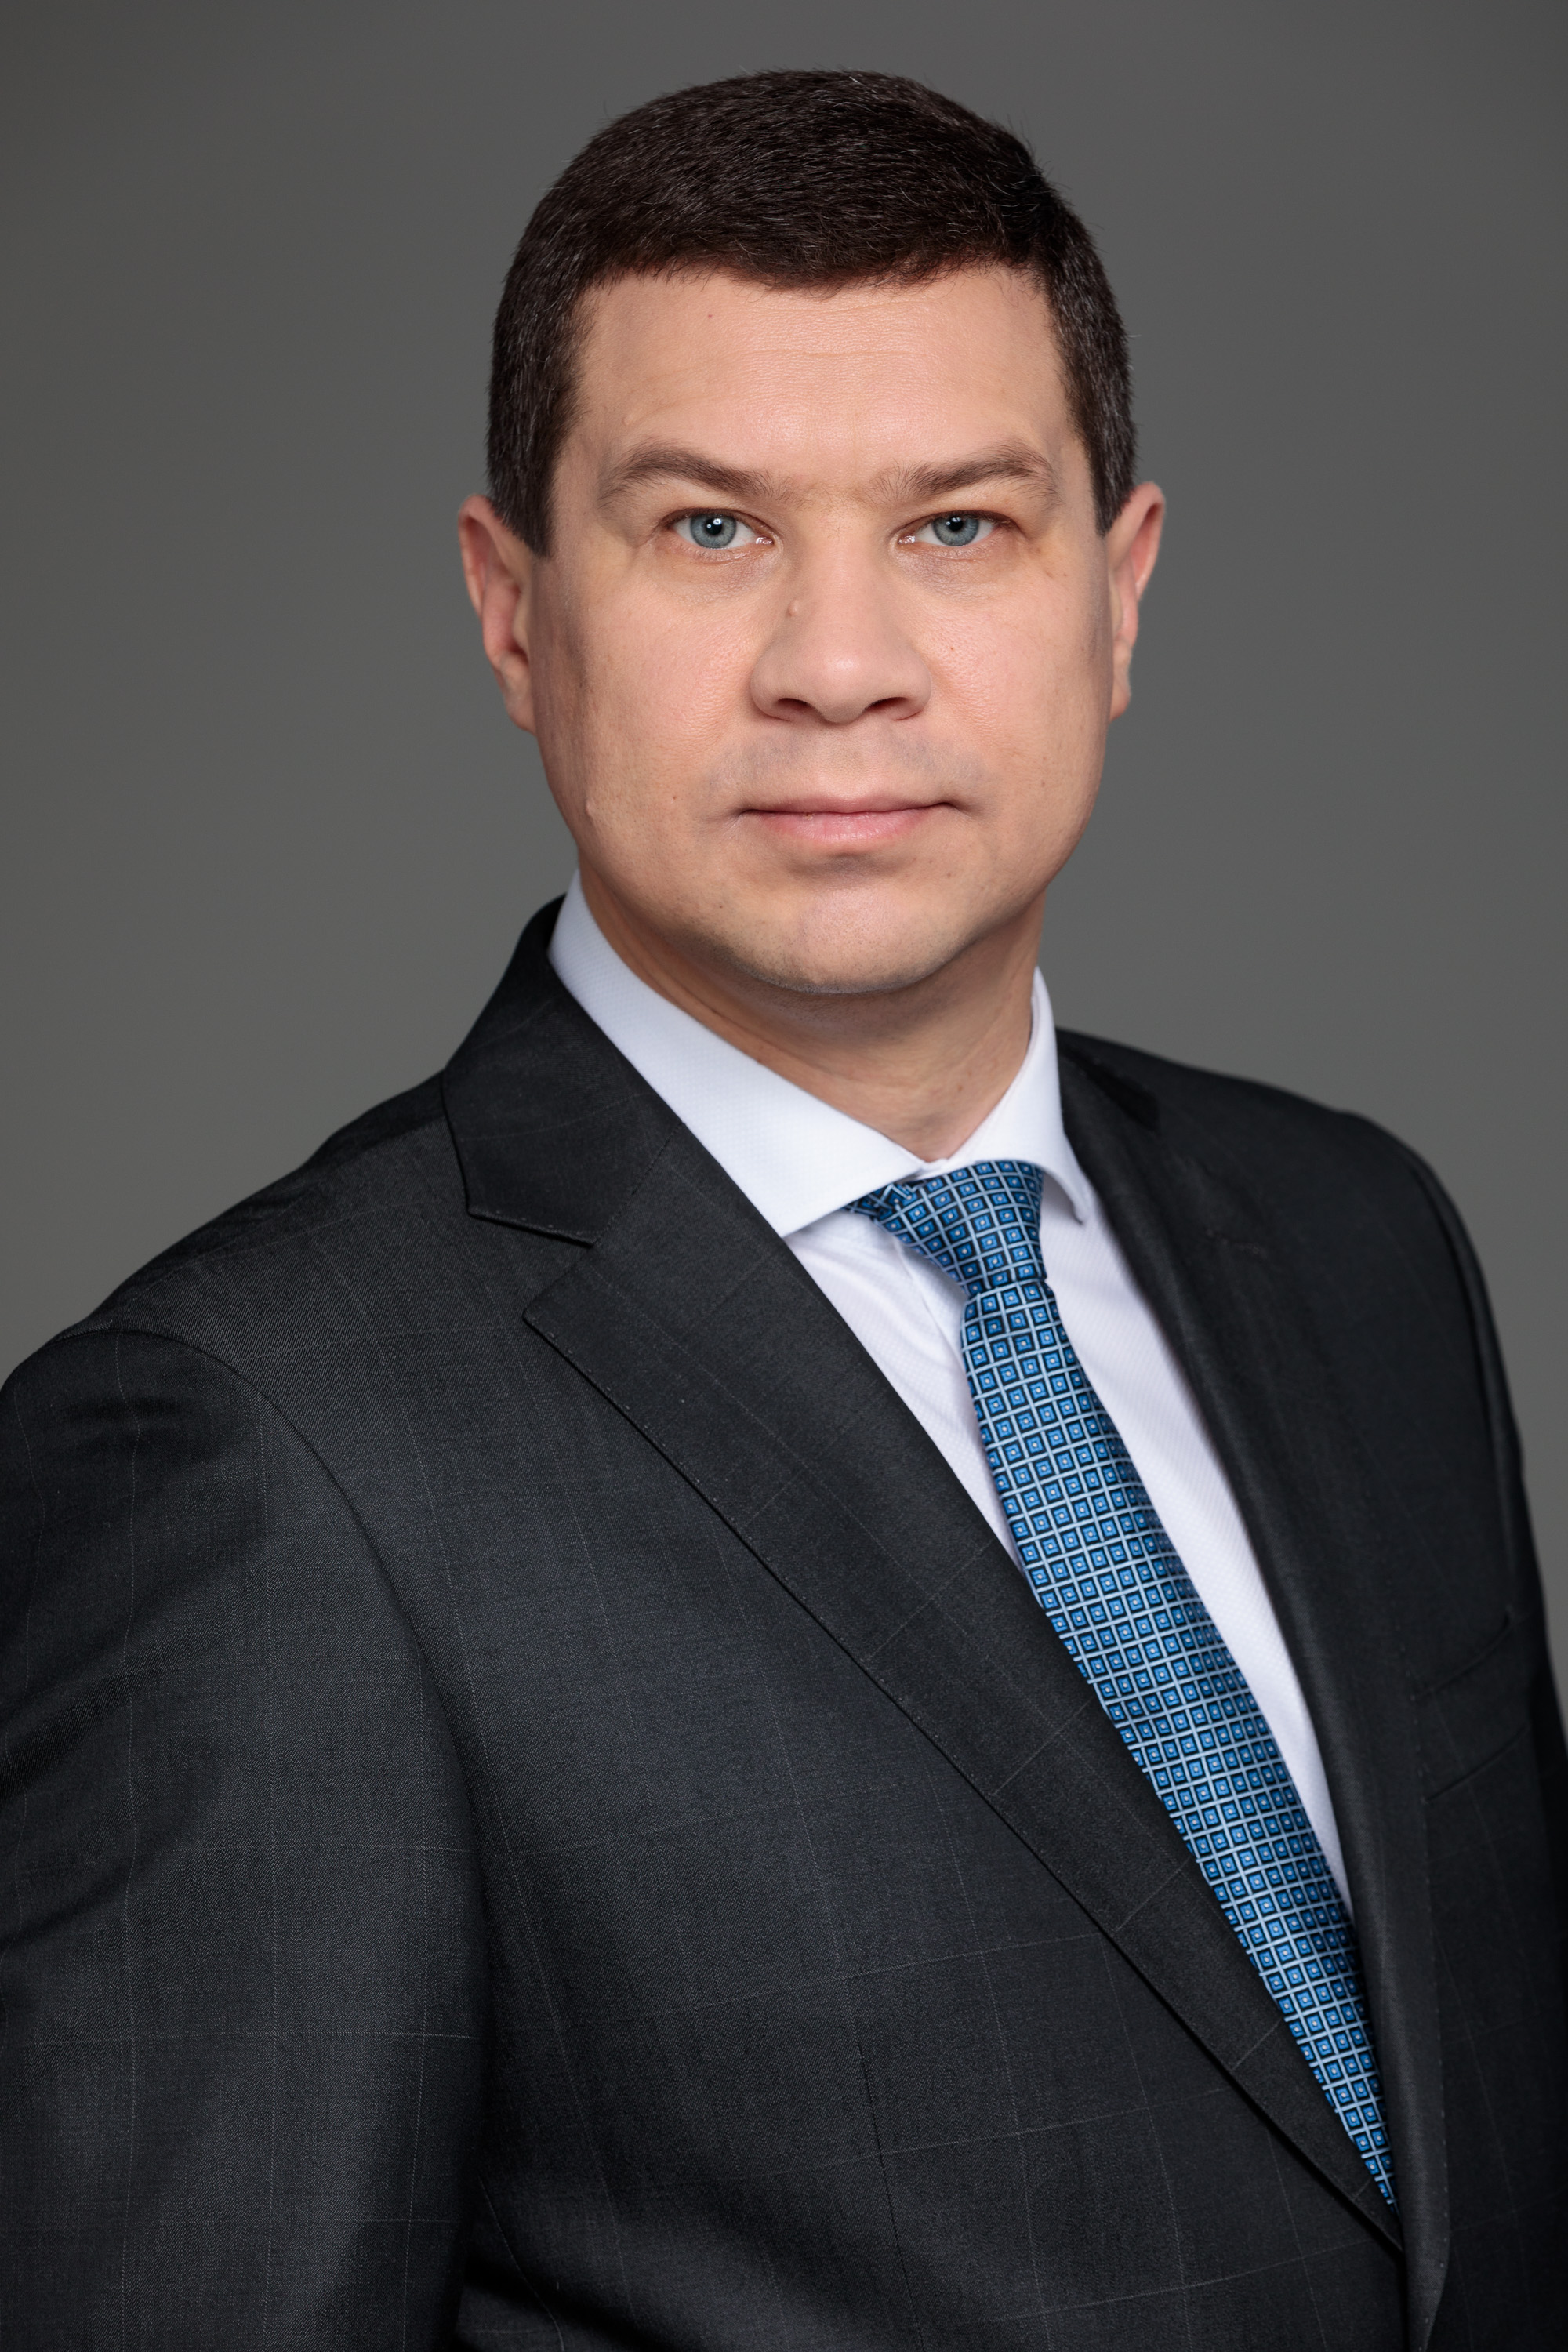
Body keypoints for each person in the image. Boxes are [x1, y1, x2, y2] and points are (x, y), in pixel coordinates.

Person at [2, 67, 1563, 2350]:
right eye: (712, 526)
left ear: (1119, 597)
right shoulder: (252, 1449)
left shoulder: (1359, 1241)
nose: (842, 665)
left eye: (961, 525)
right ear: (513, 610)